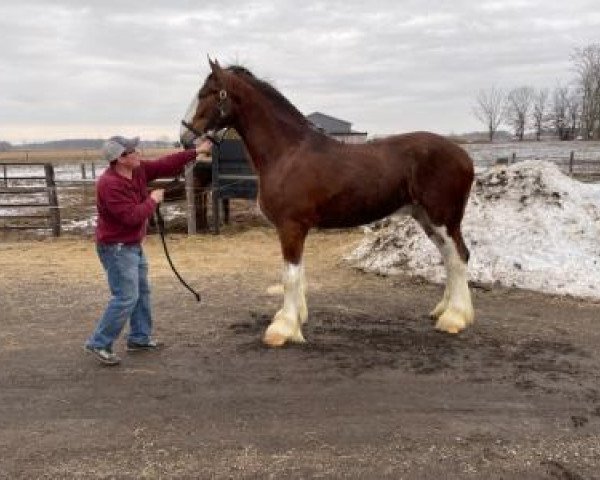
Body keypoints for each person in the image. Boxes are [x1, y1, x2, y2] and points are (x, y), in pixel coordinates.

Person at [84, 135, 212, 366]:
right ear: (121, 158)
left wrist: (197, 151)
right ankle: (99, 343)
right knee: (126, 297)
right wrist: (153, 200)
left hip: (132, 245)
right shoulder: (109, 184)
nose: (138, 153)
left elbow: (166, 163)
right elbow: (130, 217)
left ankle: (139, 338)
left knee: (142, 292)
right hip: (116, 249)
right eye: (133, 151)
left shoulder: (138, 170)